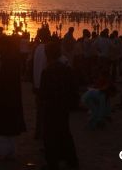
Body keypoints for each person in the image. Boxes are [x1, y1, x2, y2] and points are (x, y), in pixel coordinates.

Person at [40, 41, 79, 170]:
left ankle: (53, 162)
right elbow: (73, 88)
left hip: (51, 107)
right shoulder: (66, 69)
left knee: (50, 135)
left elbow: (43, 93)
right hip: (63, 106)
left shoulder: (47, 71)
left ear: (47, 55)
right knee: (64, 132)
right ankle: (71, 160)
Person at [0, 36, 26, 159]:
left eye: (0, 46)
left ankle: (4, 152)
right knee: (10, 125)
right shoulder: (13, 59)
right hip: (13, 96)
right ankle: (10, 150)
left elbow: (3, 80)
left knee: (3, 124)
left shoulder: (7, 60)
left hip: (6, 96)